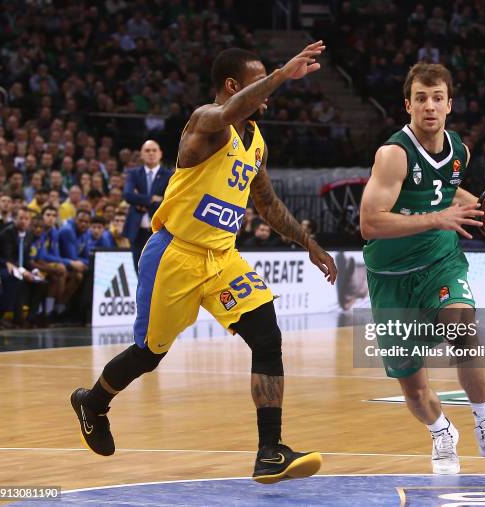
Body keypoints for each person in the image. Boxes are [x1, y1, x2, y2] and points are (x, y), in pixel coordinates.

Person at [71, 42, 337, 484]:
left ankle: (269, 452)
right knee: (149, 354)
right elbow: (229, 112)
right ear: (233, 86)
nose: (267, 95)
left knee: (268, 338)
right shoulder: (206, 123)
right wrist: (282, 73)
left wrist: (308, 242)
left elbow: (266, 203)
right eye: (259, 84)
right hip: (175, 254)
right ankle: (93, 402)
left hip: (222, 258)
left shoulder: (256, 143)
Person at [360, 63, 485, 475]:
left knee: (463, 328)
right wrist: (437, 217)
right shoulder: (393, 155)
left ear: (449, 105)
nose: (429, 106)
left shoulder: (459, 151)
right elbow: (370, 222)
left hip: (440, 263)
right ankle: (441, 432)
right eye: (421, 98)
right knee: (414, 389)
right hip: (391, 279)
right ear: (408, 106)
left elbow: (447, 191)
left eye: (437, 98)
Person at [123, 140, 173, 270]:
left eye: (154, 150)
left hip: (159, 230)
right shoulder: (133, 173)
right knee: (138, 269)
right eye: (147, 150)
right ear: (141, 154)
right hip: (137, 230)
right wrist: (152, 199)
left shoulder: (170, 176)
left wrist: (139, 199)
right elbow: (128, 195)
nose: (151, 153)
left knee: (157, 270)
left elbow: (170, 200)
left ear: (160, 153)